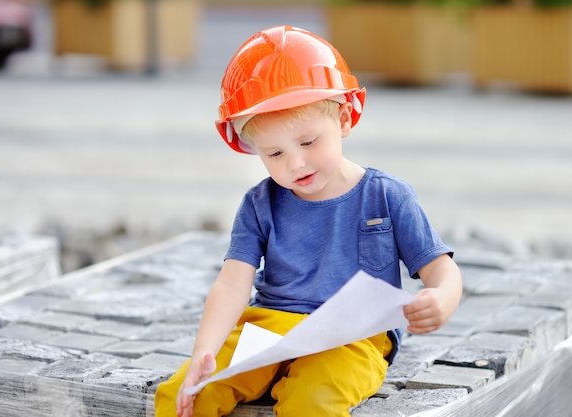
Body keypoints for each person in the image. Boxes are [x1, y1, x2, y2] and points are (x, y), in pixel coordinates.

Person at [154, 25, 462, 417]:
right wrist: (205, 351)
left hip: (352, 338)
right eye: (275, 153)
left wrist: (443, 298)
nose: (294, 163)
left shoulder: (387, 195)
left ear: (345, 119)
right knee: (185, 393)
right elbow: (232, 283)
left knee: (312, 400)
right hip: (268, 328)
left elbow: (440, 269)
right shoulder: (259, 203)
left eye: (308, 142)